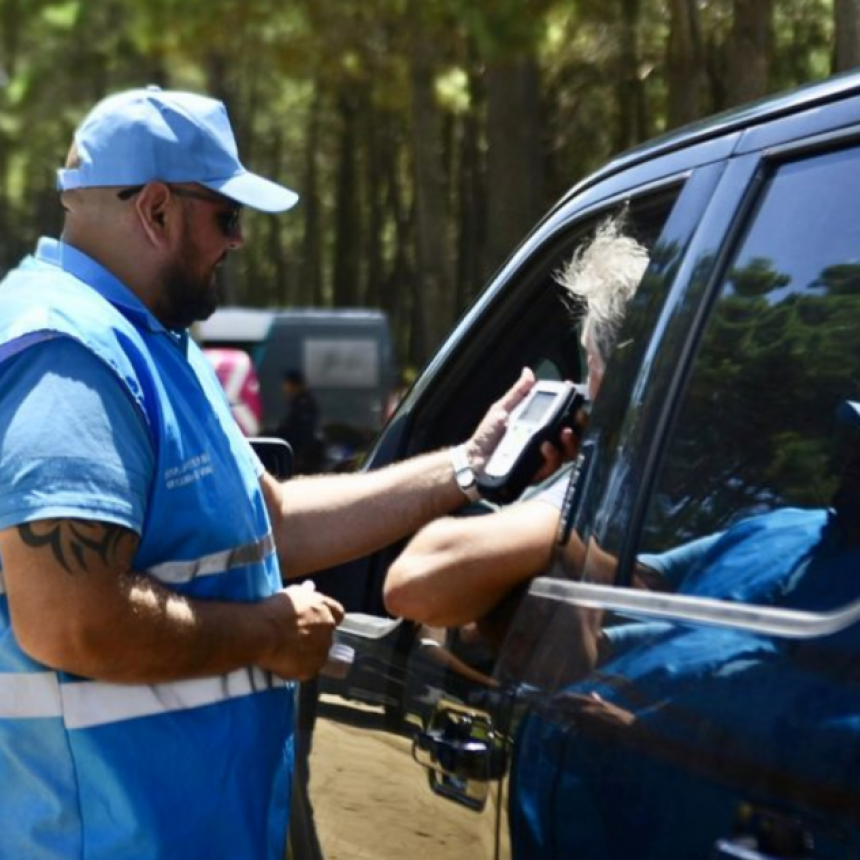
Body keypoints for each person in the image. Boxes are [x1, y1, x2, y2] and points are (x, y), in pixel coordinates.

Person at [0, 86, 557, 860]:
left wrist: (469, 465)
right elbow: (72, 620)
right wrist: (270, 632)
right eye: (226, 217)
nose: (238, 242)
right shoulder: (70, 356)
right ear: (155, 209)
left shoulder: (152, 340)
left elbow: (276, 522)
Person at [383, 217, 651, 628]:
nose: (581, 387)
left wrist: (556, 528)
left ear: (614, 373)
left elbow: (410, 582)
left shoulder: (614, 482)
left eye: (589, 362)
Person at [276, 368, 323, 473]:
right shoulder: (298, 401)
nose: (283, 386)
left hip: (304, 455)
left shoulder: (303, 403)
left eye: (286, 383)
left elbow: (303, 431)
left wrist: (300, 455)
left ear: (294, 385)